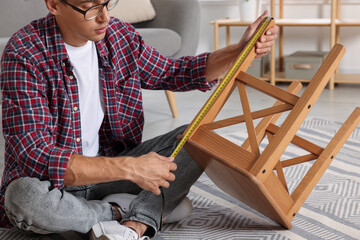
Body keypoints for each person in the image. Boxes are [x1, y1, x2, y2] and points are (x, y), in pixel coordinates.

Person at [0, 0, 279, 239]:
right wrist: (132, 169)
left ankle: (132, 224)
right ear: (54, 4)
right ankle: (126, 211)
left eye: (108, 3)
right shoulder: (23, 53)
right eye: (90, 7)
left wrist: (240, 49)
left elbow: (174, 72)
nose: (104, 16)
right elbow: (35, 156)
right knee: (23, 198)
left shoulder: (119, 36)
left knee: (197, 138)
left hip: (111, 177)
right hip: (54, 186)